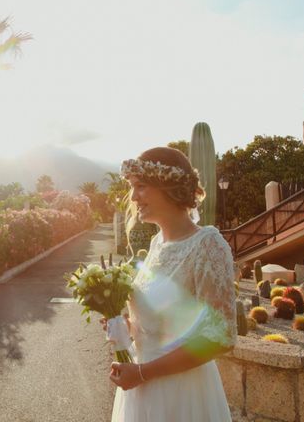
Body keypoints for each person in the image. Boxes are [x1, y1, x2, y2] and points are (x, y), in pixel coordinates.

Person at [109, 146, 237, 422]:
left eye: (140, 186)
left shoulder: (208, 245)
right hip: (141, 390)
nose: (133, 197)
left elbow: (220, 337)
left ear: (169, 187)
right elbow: (162, 323)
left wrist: (144, 373)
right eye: (132, 187)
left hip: (183, 394)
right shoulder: (156, 244)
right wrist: (126, 325)